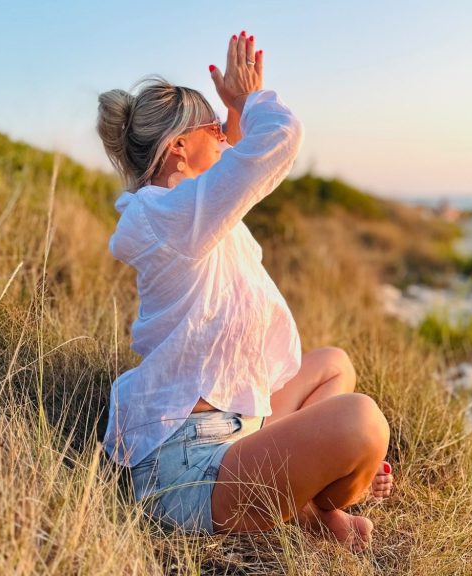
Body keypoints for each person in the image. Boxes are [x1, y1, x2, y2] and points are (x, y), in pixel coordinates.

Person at [96, 31, 392, 552]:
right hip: (190, 469)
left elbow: (235, 163)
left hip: (235, 428)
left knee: (333, 364)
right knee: (362, 422)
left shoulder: (193, 214)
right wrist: (248, 100)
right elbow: (278, 140)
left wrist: (228, 118)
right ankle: (322, 505)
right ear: (178, 149)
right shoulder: (166, 215)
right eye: (212, 127)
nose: (224, 134)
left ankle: (314, 499)